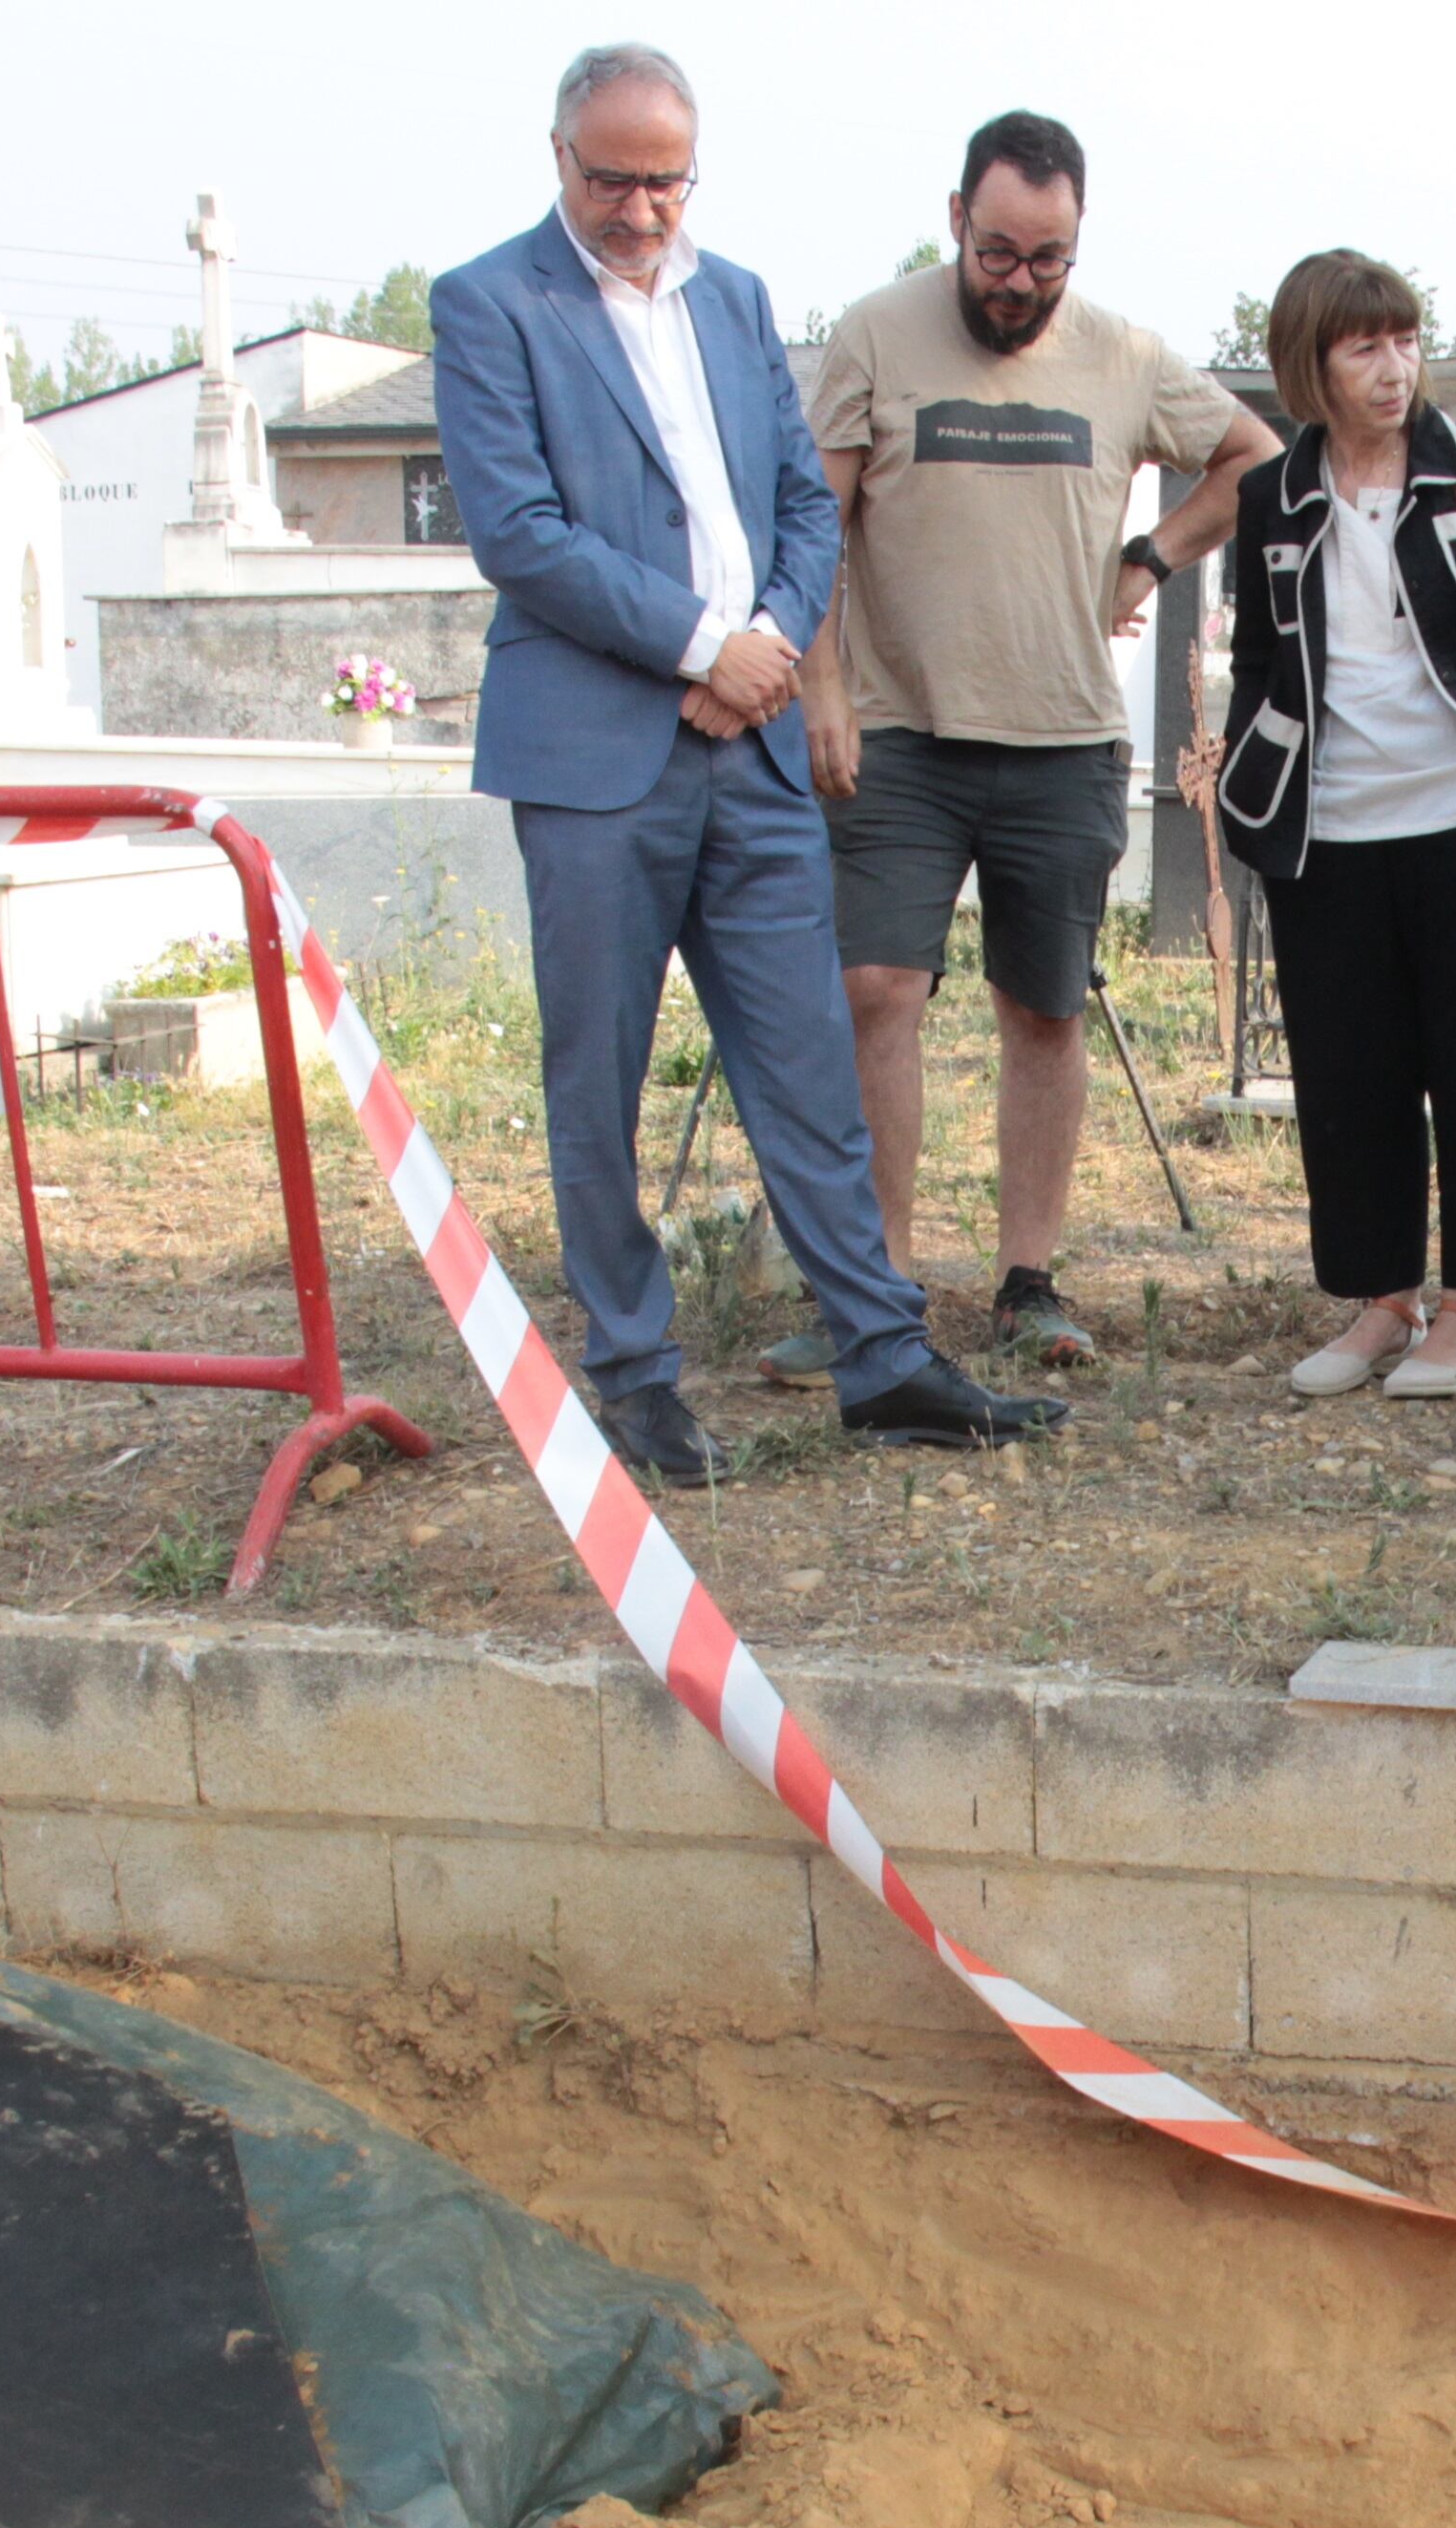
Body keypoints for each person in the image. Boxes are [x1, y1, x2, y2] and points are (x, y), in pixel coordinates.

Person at [432, 43, 1063, 1469]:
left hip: (756, 743)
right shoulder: (487, 304)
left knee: (807, 1071)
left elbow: (801, 499)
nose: (643, 210)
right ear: (558, 159)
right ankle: (637, 1373)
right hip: (597, 758)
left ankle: (882, 1355)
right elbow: (518, 533)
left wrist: (769, 641)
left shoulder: (738, 300)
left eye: (666, 182)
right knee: (596, 1076)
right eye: (614, 179)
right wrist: (697, 647)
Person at [793, 110, 1278, 1380]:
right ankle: (875, 1289)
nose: (1019, 283)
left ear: (1078, 243)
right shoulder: (872, 336)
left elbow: (1253, 458)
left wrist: (1154, 552)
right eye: (999, 252)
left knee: (1044, 1009)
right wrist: (820, 685)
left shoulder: (1123, 357)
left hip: (1061, 738)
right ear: (955, 218)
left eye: (1047, 260)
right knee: (874, 993)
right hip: (897, 730)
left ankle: (1027, 1282)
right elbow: (810, 523)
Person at [1214, 253, 1456, 1400]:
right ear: (1312, 364)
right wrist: (1246, 774)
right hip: (1328, 829)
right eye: (1364, 347)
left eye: (1406, 340)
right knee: (1349, 1074)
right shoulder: (1271, 495)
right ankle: (1382, 1301)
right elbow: (1256, 660)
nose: (1394, 369)